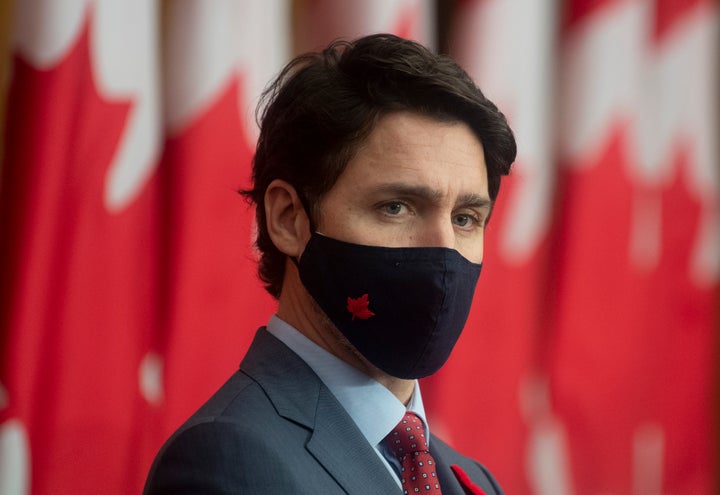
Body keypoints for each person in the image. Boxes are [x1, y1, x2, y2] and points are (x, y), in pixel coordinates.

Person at [144, 33, 516, 495]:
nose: (443, 250)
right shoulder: (227, 459)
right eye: (396, 206)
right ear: (288, 219)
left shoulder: (473, 481)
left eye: (466, 218)